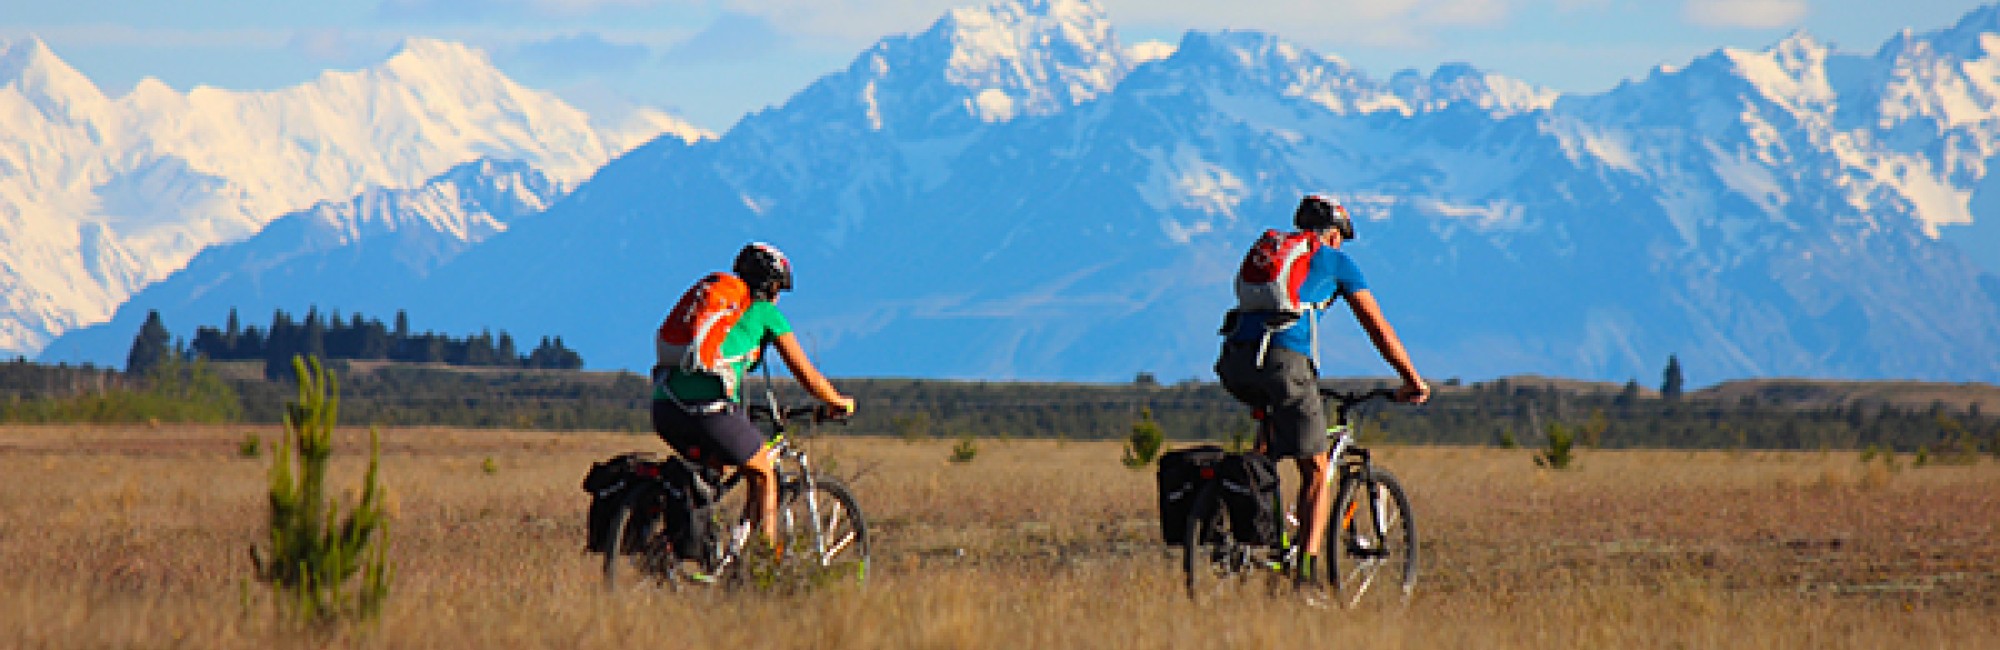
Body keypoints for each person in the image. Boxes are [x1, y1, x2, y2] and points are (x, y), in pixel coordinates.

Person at [1214, 194, 1429, 589]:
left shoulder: (1275, 255)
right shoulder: (1334, 261)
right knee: (1315, 470)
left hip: (1236, 360)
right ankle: (1307, 579)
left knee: (1266, 451)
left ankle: (1241, 539)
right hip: (1285, 364)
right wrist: (1412, 379)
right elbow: (1380, 330)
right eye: (1342, 239)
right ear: (1333, 234)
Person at [652, 242, 857, 553]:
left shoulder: (721, 310)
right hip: (708, 411)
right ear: (769, 285)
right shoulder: (763, 312)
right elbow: (808, 376)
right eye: (778, 289)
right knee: (762, 471)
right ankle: (765, 567)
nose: (777, 298)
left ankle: (692, 552)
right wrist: (839, 402)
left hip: (664, 406)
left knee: (711, 474)